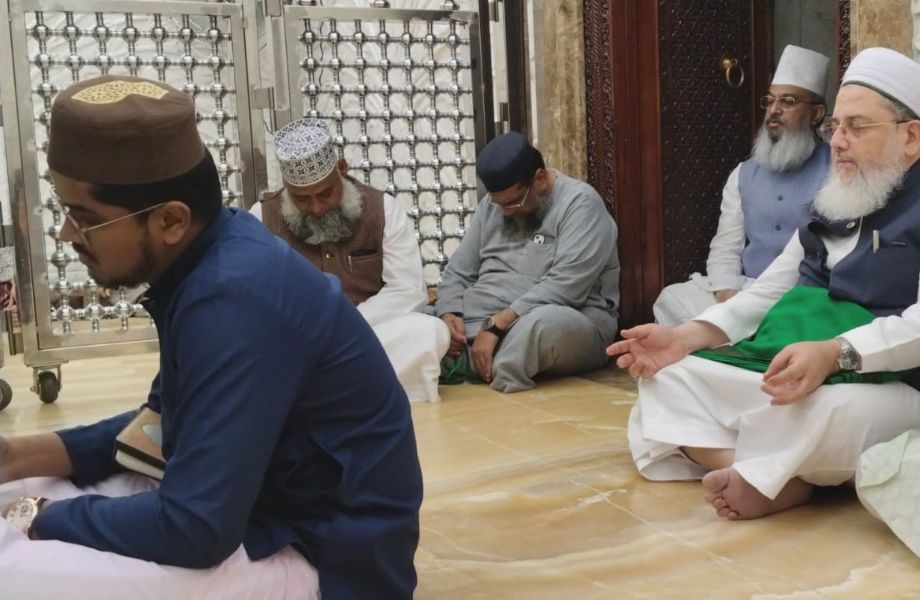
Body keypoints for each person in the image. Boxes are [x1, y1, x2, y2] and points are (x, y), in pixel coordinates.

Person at [0, 75, 423, 599]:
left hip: (324, 554)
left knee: (12, 568)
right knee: (27, 483)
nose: (66, 234)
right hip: (257, 509)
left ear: (171, 220)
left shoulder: (234, 299)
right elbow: (161, 422)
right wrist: (17, 456)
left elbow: (195, 530)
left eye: (84, 218)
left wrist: (34, 519)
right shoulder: (210, 254)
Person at [611, 47, 920, 521]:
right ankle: (775, 477)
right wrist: (683, 338)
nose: (838, 141)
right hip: (807, 364)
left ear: (911, 136)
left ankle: (760, 467)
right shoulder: (836, 198)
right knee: (671, 377)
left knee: (827, 410)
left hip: (896, 383)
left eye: (856, 127)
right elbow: (769, 289)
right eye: (835, 127)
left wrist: (834, 353)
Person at [250, 118, 449, 403]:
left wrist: (348, 323)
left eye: (325, 193)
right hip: (300, 345)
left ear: (341, 169)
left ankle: (315, 397)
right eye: (302, 199)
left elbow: (407, 289)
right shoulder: (262, 217)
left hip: (366, 335)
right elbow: (255, 299)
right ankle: (349, 393)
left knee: (428, 331)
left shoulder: (383, 208)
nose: (317, 208)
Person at [653, 45, 831, 325]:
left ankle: (733, 341)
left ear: (817, 114)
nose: (774, 111)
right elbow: (726, 247)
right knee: (670, 299)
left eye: (788, 101)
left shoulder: (837, 171)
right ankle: (742, 338)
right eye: (770, 101)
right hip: (745, 291)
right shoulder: (743, 173)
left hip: (803, 297)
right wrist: (728, 298)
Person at [435, 132, 620, 393]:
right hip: (484, 319)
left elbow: (566, 287)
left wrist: (496, 325)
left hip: (569, 319)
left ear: (540, 179)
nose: (505, 212)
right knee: (417, 322)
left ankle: (473, 364)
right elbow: (458, 271)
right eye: (498, 204)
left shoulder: (580, 204)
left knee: (540, 327)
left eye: (512, 203)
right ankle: (468, 354)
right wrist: (449, 313)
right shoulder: (494, 205)